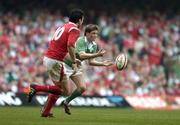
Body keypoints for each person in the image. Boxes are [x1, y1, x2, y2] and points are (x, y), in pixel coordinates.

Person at [41, 24, 113, 117]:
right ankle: (45, 108)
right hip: (66, 64)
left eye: (96, 33)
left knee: (82, 88)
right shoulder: (80, 40)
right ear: (87, 33)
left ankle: (66, 102)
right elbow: (81, 55)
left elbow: (90, 62)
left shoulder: (94, 45)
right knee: (61, 90)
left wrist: (103, 64)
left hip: (76, 66)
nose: (95, 35)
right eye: (93, 33)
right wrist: (97, 55)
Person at [27, 9, 84, 117]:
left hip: (48, 58)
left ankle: (45, 111)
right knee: (66, 91)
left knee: (58, 88)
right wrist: (73, 61)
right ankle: (36, 88)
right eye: (83, 20)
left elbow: (61, 46)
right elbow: (70, 45)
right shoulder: (74, 29)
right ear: (80, 20)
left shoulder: (62, 27)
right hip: (56, 61)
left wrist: (71, 59)